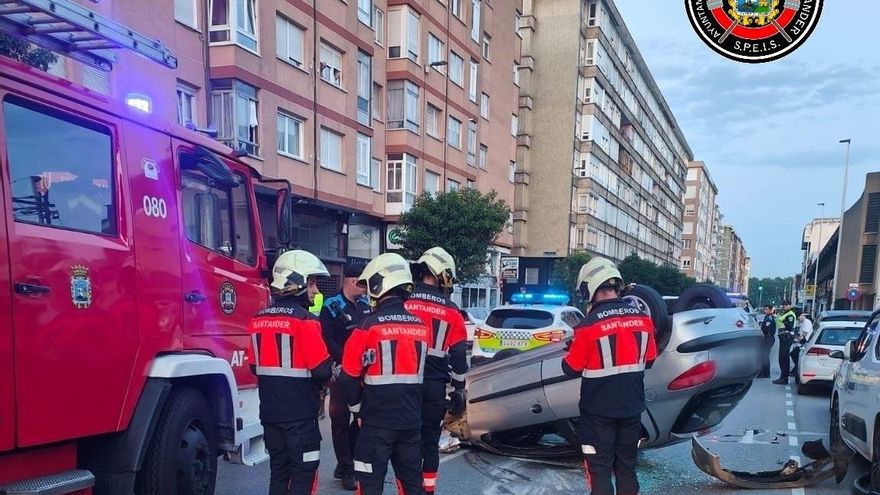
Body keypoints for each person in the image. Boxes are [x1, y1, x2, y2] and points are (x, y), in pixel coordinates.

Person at [561, 257, 657, 495]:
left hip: (598, 414)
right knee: (626, 467)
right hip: (632, 409)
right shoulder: (644, 319)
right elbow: (650, 360)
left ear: (590, 287)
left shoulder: (587, 326)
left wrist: (572, 349)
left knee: (599, 468)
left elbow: (570, 368)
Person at [339, 253, 430, 495]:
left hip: (375, 422)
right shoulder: (421, 328)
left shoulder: (367, 327)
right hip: (411, 421)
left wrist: (357, 409)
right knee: (412, 486)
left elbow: (347, 377)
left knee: (369, 486)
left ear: (380, 285)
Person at [246, 250, 333, 495]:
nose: (315, 291)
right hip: (301, 419)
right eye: (313, 283)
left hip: (271, 416)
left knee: (279, 474)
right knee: (304, 475)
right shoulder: (306, 321)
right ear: (297, 282)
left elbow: (254, 366)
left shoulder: (258, 320)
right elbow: (321, 370)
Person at [404, 247, 468, 494]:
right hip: (434, 386)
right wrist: (459, 388)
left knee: (408, 442)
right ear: (443, 275)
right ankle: (427, 490)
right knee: (430, 443)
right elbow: (459, 357)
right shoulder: (452, 311)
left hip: (405, 385)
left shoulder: (404, 302)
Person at [319, 264, 372, 491]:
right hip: (341, 373)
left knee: (361, 421)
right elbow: (327, 338)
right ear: (352, 282)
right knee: (340, 422)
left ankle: (346, 461)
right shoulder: (331, 306)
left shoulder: (366, 305)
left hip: (363, 374)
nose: (366, 288)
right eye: (363, 283)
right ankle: (347, 469)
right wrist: (348, 359)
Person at [773, 301, 797, 384]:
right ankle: (783, 377)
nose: (784, 306)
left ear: (789, 305)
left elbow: (789, 326)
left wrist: (783, 321)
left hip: (787, 337)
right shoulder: (785, 314)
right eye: (783, 305)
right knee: (782, 358)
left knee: (783, 358)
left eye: (786, 305)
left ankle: (784, 378)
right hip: (783, 337)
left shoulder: (790, 314)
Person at [790, 311, 813, 378]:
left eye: (799, 318)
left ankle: (796, 370)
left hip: (804, 342)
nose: (799, 319)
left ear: (802, 315)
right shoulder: (803, 322)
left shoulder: (807, 322)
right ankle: (795, 369)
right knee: (794, 354)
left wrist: (797, 339)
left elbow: (804, 333)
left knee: (795, 354)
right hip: (802, 341)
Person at [758, 305, 776, 378]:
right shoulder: (766, 317)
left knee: (765, 356)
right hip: (766, 338)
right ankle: (763, 372)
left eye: (766, 309)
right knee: (763, 355)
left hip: (768, 338)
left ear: (770, 310)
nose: (764, 310)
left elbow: (766, 328)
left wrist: (761, 327)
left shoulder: (769, 318)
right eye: (764, 309)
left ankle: (766, 373)